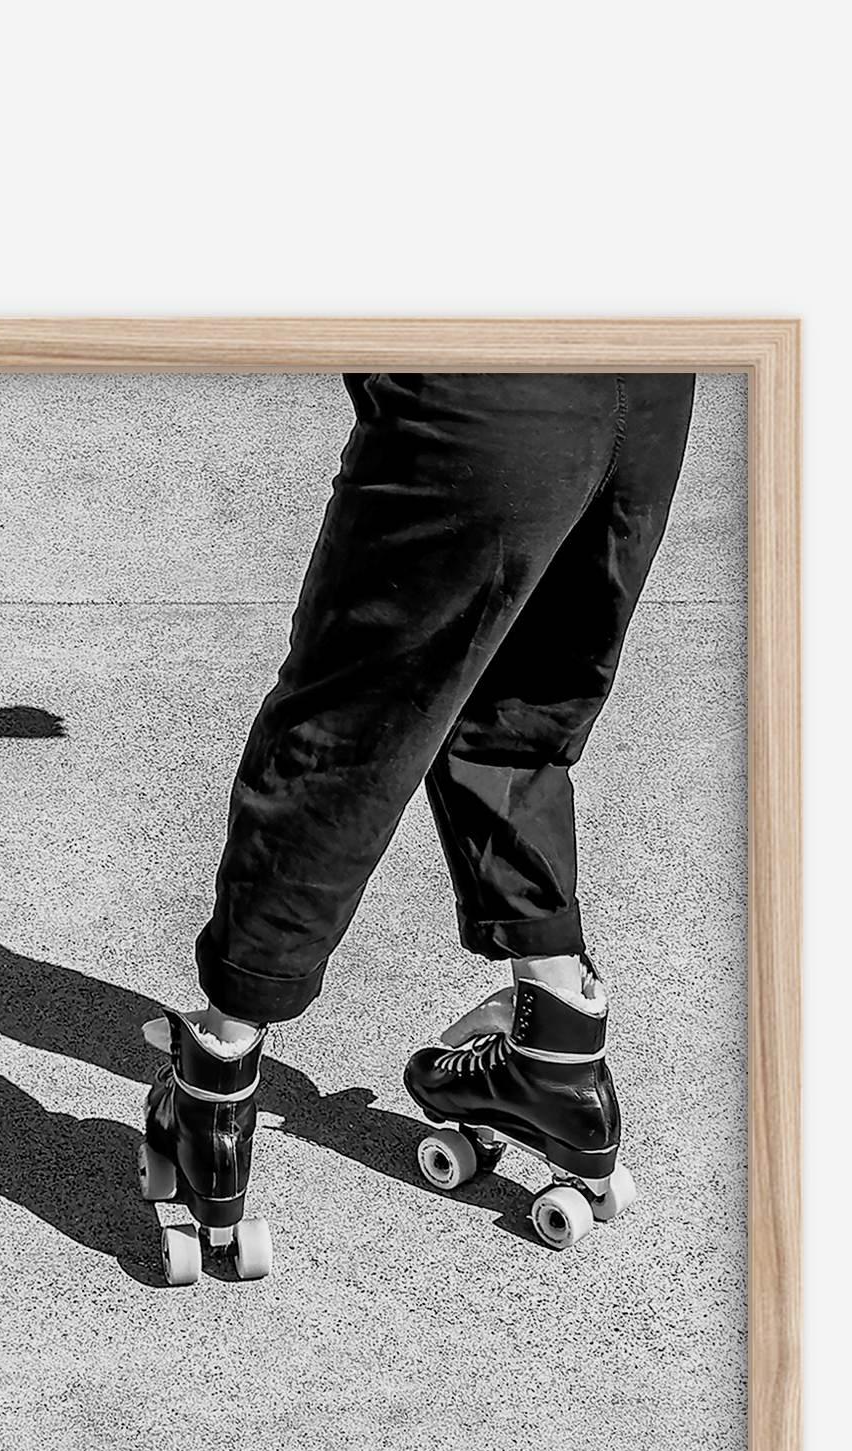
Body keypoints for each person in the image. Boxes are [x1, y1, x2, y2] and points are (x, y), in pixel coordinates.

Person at [140, 372, 696, 1283]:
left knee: (346, 734)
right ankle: (556, 1053)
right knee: (519, 720)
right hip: (649, 385)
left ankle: (212, 1086)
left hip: (483, 381)